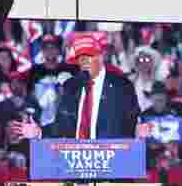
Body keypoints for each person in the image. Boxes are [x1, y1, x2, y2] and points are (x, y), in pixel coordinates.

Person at [12, 34, 144, 140]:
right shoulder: (72, 86)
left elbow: (133, 120)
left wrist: (138, 130)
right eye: (81, 59)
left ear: (101, 56)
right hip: (77, 162)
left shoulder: (121, 86)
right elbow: (62, 125)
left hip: (112, 161)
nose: (85, 62)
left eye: (89, 56)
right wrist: (39, 132)